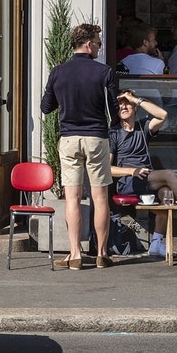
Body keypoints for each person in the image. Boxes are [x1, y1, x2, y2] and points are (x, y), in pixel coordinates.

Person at [39, 22, 117, 270]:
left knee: (71, 197)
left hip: (69, 138)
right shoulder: (104, 72)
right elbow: (113, 111)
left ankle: (74, 254)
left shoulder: (58, 72)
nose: (100, 46)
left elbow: (45, 107)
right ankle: (102, 254)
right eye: (98, 42)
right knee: (100, 196)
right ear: (88, 43)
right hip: (96, 137)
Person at [106, 90, 177, 256]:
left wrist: (135, 99)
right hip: (128, 181)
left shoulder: (143, 127)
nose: (123, 106)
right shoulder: (114, 133)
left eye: (127, 103)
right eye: (120, 104)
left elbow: (162, 115)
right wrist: (133, 171)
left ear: (135, 107)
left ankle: (156, 243)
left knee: (166, 194)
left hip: (148, 179)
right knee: (169, 175)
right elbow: (107, 168)